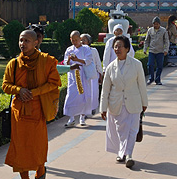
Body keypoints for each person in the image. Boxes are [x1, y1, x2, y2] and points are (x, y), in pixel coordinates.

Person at [2, 30, 61, 179]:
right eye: (21, 40)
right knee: (20, 149)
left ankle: (40, 167)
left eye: (27, 40)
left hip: (37, 110)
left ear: (36, 42)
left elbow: (55, 83)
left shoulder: (47, 61)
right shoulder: (13, 64)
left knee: (37, 146)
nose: (23, 44)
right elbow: (6, 85)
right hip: (19, 112)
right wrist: (19, 90)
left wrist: (34, 93)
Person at [100, 35, 148, 169]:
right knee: (121, 130)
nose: (117, 49)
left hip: (134, 102)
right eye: (115, 46)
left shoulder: (136, 64)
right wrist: (103, 108)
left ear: (127, 48)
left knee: (132, 130)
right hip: (117, 104)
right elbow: (105, 89)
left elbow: (142, 85)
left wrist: (145, 103)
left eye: (120, 46)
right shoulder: (110, 67)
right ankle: (122, 153)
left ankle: (129, 155)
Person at [63, 31, 95, 127]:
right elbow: (65, 63)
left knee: (84, 97)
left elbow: (88, 61)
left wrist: (77, 60)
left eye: (76, 40)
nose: (74, 42)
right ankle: (71, 118)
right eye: (73, 40)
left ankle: (82, 117)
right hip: (73, 76)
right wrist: (69, 60)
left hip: (83, 75)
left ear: (80, 39)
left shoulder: (86, 49)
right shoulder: (69, 49)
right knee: (71, 97)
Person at [81, 33, 103, 115]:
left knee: (94, 92)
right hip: (83, 75)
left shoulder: (93, 50)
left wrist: (100, 74)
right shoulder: (78, 51)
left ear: (89, 41)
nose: (82, 41)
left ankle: (93, 108)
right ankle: (85, 110)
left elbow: (98, 62)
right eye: (81, 40)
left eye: (84, 40)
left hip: (93, 74)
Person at [143, 16, 169, 85]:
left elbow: (166, 41)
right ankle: (151, 78)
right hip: (152, 50)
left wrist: (166, 49)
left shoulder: (163, 31)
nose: (155, 25)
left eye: (157, 24)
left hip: (160, 51)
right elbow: (147, 40)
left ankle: (158, 80)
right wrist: (145, 49)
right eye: (154, 24)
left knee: (159, 66)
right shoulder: (150, 30)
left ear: (159, 24)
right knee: (150, 65)